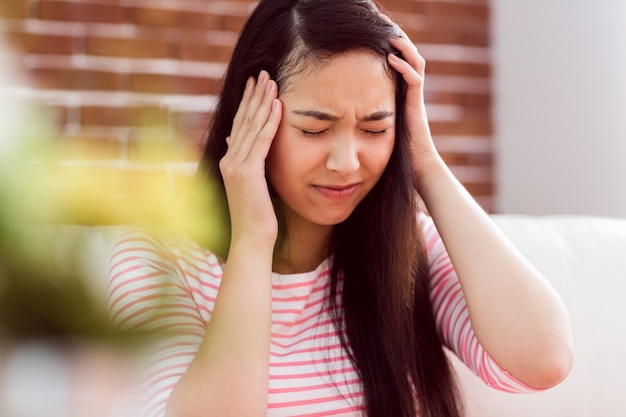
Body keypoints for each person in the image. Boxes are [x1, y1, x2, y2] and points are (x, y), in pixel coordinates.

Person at [107, 0, 574, 416]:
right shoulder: (158, 263)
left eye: (374, 129)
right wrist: (252, 240)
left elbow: (544, 361)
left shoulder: (410, 249)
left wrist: (425, 163)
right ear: (250, 121)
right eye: (315, 129)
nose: (347, 162)